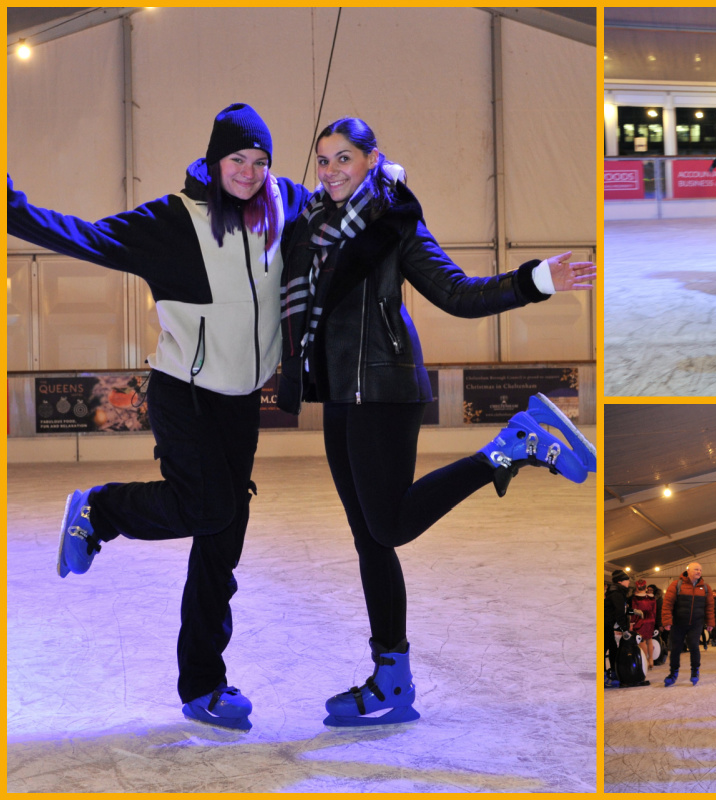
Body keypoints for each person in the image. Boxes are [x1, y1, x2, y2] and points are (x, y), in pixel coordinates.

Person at [278, 117, 596, 726]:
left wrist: (534, 280)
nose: (331, 170)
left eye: (344, 158)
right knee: (370, 541)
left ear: (372, 160)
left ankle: (507, 450)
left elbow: (458, 292)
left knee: (390, 527)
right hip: (340, 396)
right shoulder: (309, 228)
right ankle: (391, 682)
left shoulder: (395, 222)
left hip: (388, 390)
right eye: (322, 160)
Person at [8, 103, 314, 731]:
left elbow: (340, 205)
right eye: (238, 160)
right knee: (208, 508)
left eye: (260, 162)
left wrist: (382, 176)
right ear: (213, 159)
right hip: (185, 390)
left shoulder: (283, 202)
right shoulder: (173, 222)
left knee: (223, 539)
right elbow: (85, 236)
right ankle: (103, 509)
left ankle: (203, 685)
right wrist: (11, 209)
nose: (251, 173)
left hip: (240, 401)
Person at [661, 562, 715, 687]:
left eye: (700, 570)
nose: (699, 572)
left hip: (696, 624)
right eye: (696, 569)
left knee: (694, 646)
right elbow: (667, 604)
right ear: (688, 571)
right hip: (678, 623)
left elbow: (710, 607)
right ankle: (673, 673)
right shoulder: (676, 585)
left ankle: (695, 671)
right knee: (675, 649)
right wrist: (667, 621)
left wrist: (710, 622)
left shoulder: (706, 588)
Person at [604, 571, 632, 687]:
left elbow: (622, 610)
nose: (629, 582)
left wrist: (632, 611)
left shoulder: (617, 592)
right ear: (620, 581)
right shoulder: (617, 593)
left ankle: (613, 672)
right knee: (604, 650)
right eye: (627, 580)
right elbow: (619, 612)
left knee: (613, 649)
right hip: (605, 625)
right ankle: (604, 676)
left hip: (608, 625)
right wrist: (625, 629)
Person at [631, 580, 657, 672]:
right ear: (646, 588)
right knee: (649, 640)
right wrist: (653, 620)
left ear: (637, 587)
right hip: (650, 620)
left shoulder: (635, 598)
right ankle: (651, 660)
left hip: (640, 620)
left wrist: (632, 622)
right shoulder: (652, 598)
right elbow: (654, 611)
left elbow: (634, 612)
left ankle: (645, 661)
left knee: (642, 641)